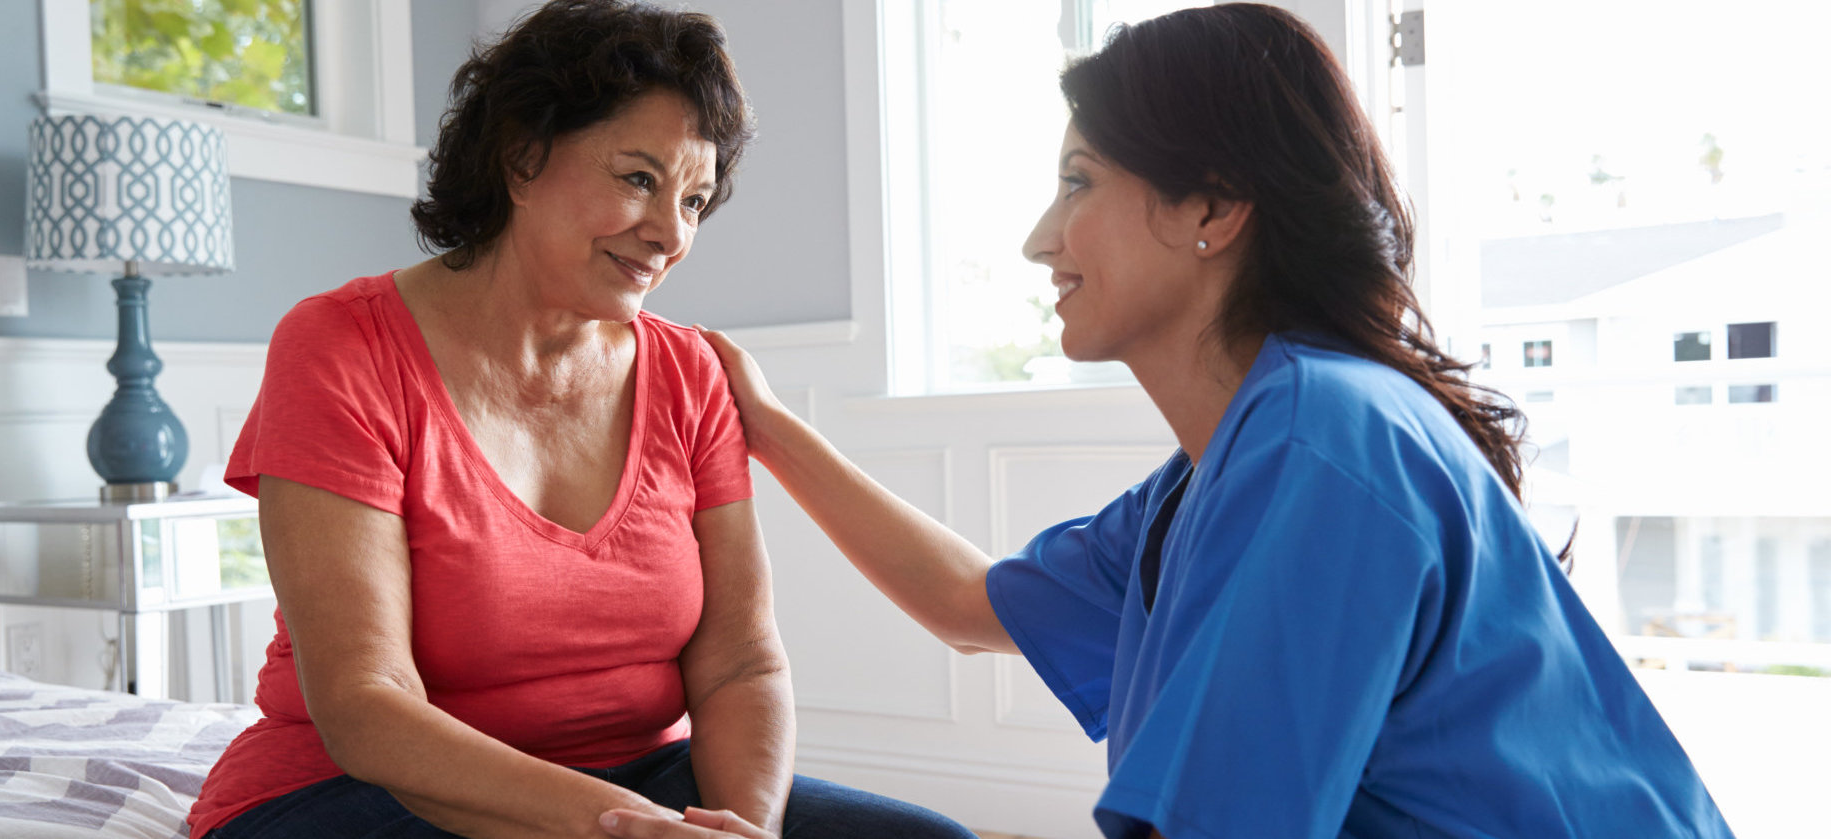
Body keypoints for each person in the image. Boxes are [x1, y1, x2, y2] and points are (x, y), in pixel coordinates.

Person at [598, 5, 1736, 839]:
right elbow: (966, 601)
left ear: (1212, 208)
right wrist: (775, 424)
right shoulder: (1220, 470)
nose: (1045, 237)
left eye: (1081, 182)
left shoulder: (1323, 442)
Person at [188, 2, 976, 838]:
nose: (670, 233)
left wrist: (740, 829)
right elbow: (363, 703)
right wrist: (622, 826)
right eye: (639, 179)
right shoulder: (342, 345)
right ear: (522, 158)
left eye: (696, 200)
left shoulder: (689, 371)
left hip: (641, 777)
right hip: (360, 791)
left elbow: (740, 662)